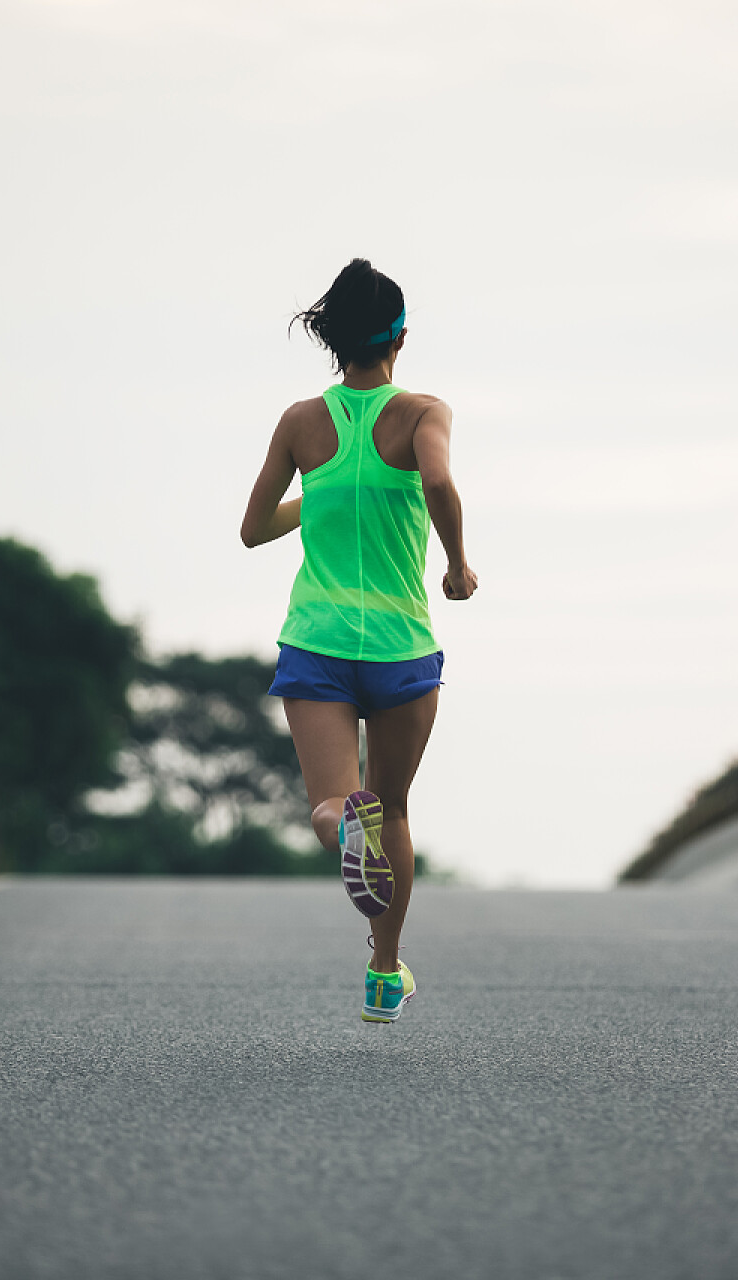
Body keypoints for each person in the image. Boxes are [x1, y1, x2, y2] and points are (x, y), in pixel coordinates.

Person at [239, 258, 477, 1024]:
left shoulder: (302, 422)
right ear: (401, 336)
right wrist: (459, 564)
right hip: (402, 649)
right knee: (396, 809)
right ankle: (383, 972)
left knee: (336, 802)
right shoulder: (422, 413)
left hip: (319, 643)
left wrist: (323, 496)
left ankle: (344, 826)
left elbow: (252, 530)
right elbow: (437, 483)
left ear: (331, 341)